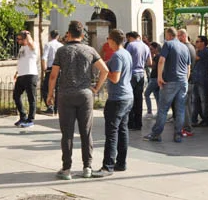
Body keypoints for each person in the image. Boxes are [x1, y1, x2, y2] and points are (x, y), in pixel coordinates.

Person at [46, 20, 109, 181]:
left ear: (69, 33)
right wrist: (96, 88)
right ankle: (87, 167)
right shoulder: (90, 50)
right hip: (85, 94)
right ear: (82, 34)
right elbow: (105, 70)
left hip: (65, 95)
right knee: (86, 132)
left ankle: (66, 169)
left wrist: (50, 94)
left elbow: (53, 75)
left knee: (67, 133)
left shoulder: (62, 51)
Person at [93, 29, 133, 177]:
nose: (107, 41)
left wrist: (105, 73)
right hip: (127, 96)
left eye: (108, 38)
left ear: (112, 40)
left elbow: (115, 78)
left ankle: (107, 166)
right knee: (122, 130)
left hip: (117, 98)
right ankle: (121, 163)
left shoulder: (117, 56)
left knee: (111, 133)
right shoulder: (126, 53)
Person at [144, 27, 191, 143]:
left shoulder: (168, 44)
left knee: (163, 109)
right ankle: (178, 134)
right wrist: (185, 79)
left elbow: (161, 61)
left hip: (170, 81)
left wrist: (159, 77)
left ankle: (156, 134)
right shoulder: (185, 47)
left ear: (169, 35)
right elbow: (188, 66)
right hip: (183, 81)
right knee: (180, 109)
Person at [125, 31, 151, 131]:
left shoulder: (130, 45)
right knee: (139, 99)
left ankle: (131, 123)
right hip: (141, 74)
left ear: (130, 37)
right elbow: (149, 62)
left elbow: (126, 59)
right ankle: (138, 123)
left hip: (131, 74)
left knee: (130, 98)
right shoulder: (146, 46)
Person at [13, 30, 38, 128]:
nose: (17, 40)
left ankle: (30, 120)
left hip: (30, 75)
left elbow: (31, 43)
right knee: (16, 96)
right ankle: (23, 116)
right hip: (21, 75)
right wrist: (17, 72)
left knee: (31, 98)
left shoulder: (32, 46)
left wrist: (27, 34)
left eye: (19, 38)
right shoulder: (22, 48)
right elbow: (21, 60)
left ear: (25, 39)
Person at [177, 29, 197, 137]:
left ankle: (187, 128)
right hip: (190, 79)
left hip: (186, 80)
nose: (177, 39)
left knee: (184, 105)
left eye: (179, 36)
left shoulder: (185, 48)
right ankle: (187, 127)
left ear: (183, 36)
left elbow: (186, 66)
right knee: (187, 105)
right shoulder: (191, 47)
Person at [41, 30, 63, 114]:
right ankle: (57, 108)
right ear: (58, 36)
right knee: (58, 89)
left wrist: (44, 69)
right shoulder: (61, 46)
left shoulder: (48, 44)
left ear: (50, 35)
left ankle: (50, 107)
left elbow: (44, 58)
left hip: (50, 69)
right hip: (59, 69)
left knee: (45, 88)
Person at [192, 35, 208, 127]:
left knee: (204, 100)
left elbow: (195, 58)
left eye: (197, 41)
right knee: (195, 100)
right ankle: (194, 119)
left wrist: (195, 50)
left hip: (203, 79)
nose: (196, 43)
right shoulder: (200, 51)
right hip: (196, 78)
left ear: (203, 43)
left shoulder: (206, 51)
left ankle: (205, 119)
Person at [143, 42, 161, 118]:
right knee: (157, 95)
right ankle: (159, 112)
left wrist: (148, 59)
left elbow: (151, 65)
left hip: (154, 78)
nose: (150, 51)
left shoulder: (157, 57)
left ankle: (149, 111)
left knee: (146, 93)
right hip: (157, 78)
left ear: (156, 48)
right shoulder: (160, 56)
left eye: (151, 49)